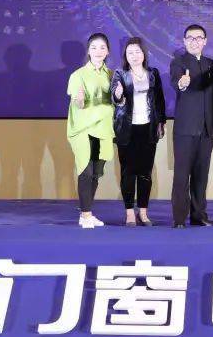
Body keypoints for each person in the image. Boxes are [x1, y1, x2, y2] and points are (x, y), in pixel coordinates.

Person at [170, 24, 213, 228]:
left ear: (205, 41)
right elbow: (176, 82)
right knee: (182, 175)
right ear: (184, 41)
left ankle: (199, 215)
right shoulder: (178, 62)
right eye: (190, 38)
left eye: (199, 38)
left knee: (201, 175)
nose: (195, 41)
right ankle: (179, 218)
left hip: (207, 128)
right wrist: (182, 83)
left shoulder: (211, 65)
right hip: (185, 129)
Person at [112, 37, 166, 227]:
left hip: (148, 128)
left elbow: (159, 100)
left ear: (144, 54)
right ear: (125, 55)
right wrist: (118, 95)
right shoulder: (120, 74)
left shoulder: (153, 73)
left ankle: (143, 212)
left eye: (137, 52)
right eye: (130, 53)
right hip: (127, 129)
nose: (134, 56)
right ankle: (129, 213)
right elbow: (116, 99)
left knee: (145, 172)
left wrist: (161, 122)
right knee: (128, 172)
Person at [67, 33, 114, 228]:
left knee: (96, 173)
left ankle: (87, 212)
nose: (98, 51)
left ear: (108, 51)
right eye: (94, 47)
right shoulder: (78, 75)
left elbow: (117, 100)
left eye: (102, 47)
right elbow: (77, 103)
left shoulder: (111, 75)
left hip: (103, 129)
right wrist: (79, 100)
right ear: (88, 51)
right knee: (85, 171)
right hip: (83, 129)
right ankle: (85, 215)